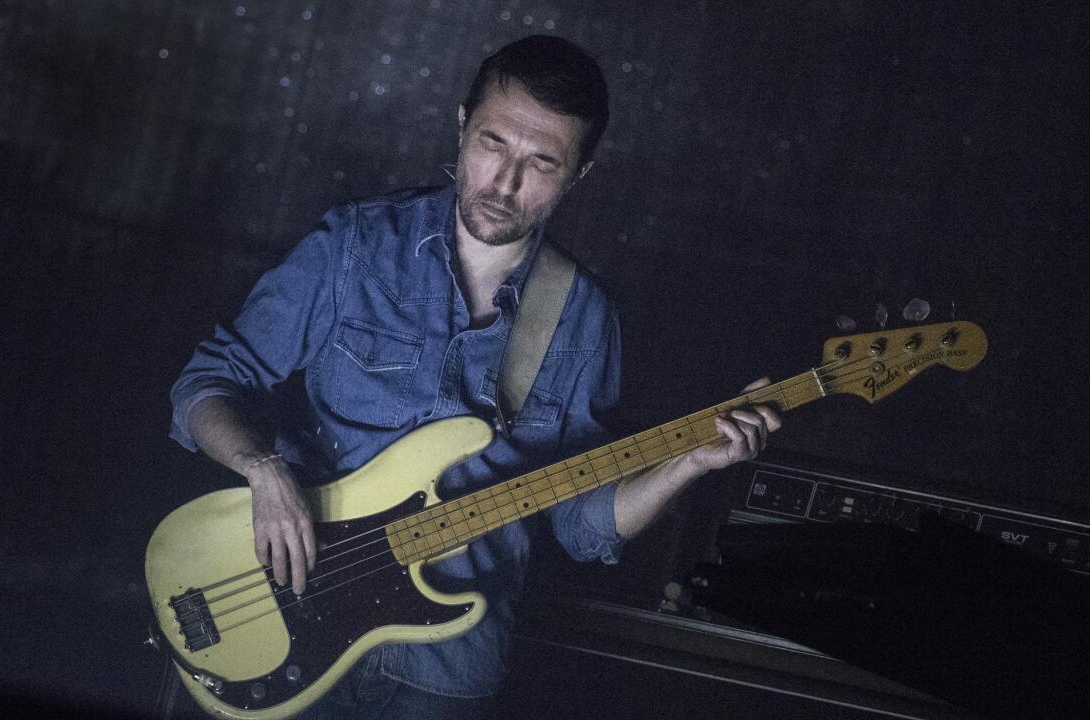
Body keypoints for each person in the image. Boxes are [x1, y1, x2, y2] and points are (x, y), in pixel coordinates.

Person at [169, 34, 779, 719]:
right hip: (282, 608)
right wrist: (263, 468)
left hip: (445, 668)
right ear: (462, 126)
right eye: (493, 144)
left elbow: (581, 526)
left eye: (542, 163)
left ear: (579, 175)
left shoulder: (583, 318)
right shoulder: (355, 247)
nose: (506, 183)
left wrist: (687, 462)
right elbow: (204, 387)